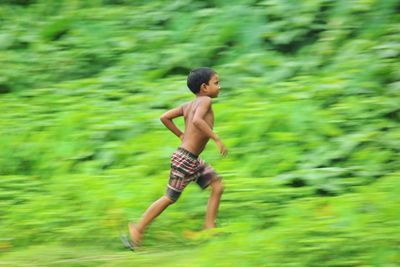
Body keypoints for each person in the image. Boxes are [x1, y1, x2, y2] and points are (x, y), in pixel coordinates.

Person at [123, 67, 227, 250]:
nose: (220, 87)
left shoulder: (188, 105)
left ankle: (209, 228)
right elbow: (196, 121)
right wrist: (216, 138)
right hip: (186, 159)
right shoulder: (205, 102)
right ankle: (137, 230)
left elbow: (165, 117)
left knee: (217, 185)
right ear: (204, 87)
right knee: (169, 198)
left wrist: (180, 134)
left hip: (190, 158)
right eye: (216, 83)